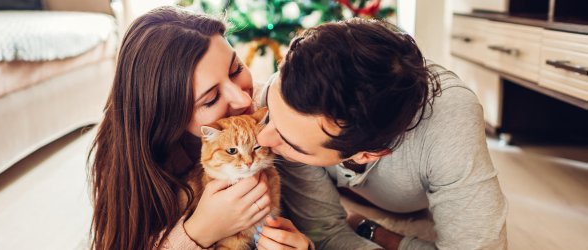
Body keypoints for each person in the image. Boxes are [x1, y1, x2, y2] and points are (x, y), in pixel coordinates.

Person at [256, 18, 508, 249]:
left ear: (367, 155)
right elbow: (326, 234)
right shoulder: (283, 99)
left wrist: (384, 235)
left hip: (410, 200)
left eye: (292, 144)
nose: (261, 139)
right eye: (271, 116)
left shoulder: (449, 125)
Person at [89, 6, 311, 250]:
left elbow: (320, 221)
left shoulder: (266, 110)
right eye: (211, 99)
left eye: (236, 69)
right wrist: (199, 231)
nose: (244, 100)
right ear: (169, 118)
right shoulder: (130, 161)